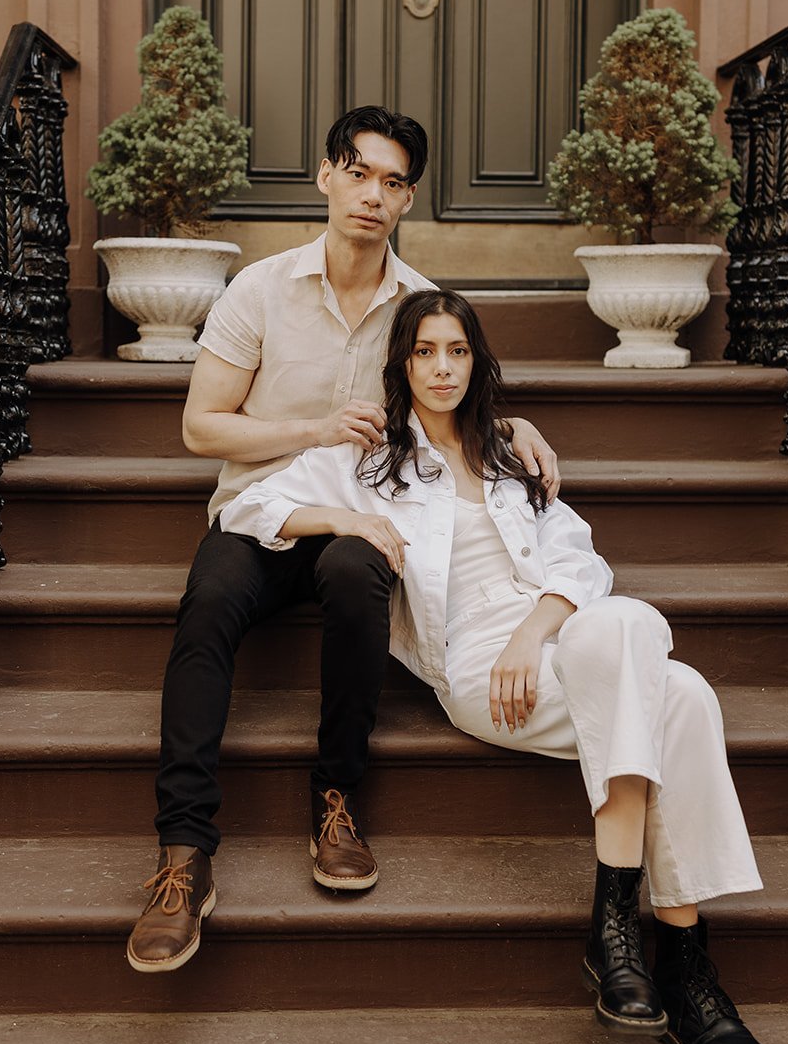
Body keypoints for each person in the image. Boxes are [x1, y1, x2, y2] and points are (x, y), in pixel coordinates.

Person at [216, 288, 777, 1044]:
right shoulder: (371, 461)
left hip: (547, 638)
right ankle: (678, 964)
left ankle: (641, 944)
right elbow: (249, 506)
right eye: (424, 352)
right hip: (477, 669)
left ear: (476, 363)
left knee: (661, 667)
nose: (441, 368)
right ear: (401, 364)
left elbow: (581, 562)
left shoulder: (511, 456)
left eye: (456, 352)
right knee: (676, 689)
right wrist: (344, 523)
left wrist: (533, 630)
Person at [126, 108, 559, 974]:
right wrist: (314, 429)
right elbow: (201, 429)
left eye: (393, 182)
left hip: (357, 520)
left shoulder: (417, 301)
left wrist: (507, 419)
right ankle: (183, 851)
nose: (373, 194)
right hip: (261, 510)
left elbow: (447, 394)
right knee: (208, 603)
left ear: (406, 200)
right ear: (325, 177)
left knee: (364, 569)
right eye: (357, 173)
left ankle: (335, 799)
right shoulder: (259, 288)